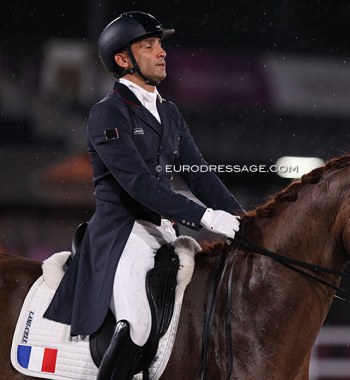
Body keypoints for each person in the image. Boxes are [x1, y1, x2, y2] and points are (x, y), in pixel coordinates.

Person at [44, 11, 243, 379]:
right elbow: (138, 184)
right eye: (148, 46)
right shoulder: (107, 114)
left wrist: (242, 218)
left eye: (160, 44)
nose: (161, 52)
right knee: (136, 322)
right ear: (123, 60)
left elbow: (199, 174)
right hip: (121, 232)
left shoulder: (169, 112)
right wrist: (204, 218)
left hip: (160, 229)